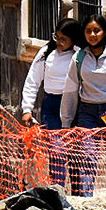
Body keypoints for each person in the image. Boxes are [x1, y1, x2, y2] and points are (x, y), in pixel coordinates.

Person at [60, 15, 106, 195]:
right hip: (87, 113)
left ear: (104, 32)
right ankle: (87, 198)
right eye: (88, 31)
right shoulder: (78, 58)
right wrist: (66, 122)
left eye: (96, 31)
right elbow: (70, 90)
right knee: (88, 156)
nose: (92, 35)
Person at [20, 18, 83, 186]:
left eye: (64, 39)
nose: (59, 42)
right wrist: (27, 108)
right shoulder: (46, 53)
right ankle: (58, 189)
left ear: (73, 40)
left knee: (76, 152)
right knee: (56, 149)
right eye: (57, 37)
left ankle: (79, 192)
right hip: (51, 106)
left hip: (74, 105)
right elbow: (32, 80)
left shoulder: (80, 55)